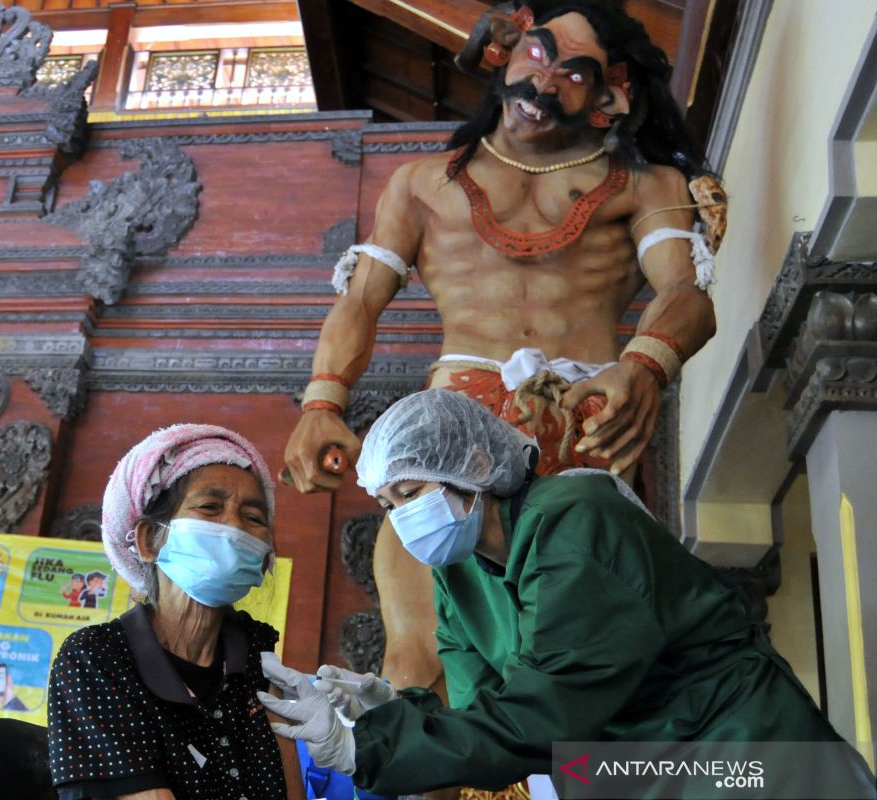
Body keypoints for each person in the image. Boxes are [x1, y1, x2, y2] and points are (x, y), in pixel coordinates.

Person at [283, 0, 724, 766]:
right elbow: (359, 300)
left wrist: (646, 363)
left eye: (573, 72)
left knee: (578, 682)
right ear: (503, 54)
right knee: (415, 666)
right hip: (442, 446)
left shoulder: (642, 186)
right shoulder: (422, 185)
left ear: (611, 96)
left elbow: (686, 295)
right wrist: (322, 401)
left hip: (580, 440)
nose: (544, 79)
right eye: (538, 54)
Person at [262, 390, 873, 797]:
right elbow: (487, 715)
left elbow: (542, 714)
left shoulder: (577, 520)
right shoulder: (460, 572)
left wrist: (362, 746)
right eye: (389, 505)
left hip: (735, 751)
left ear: (473, 461)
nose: (402, 520)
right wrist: (386, 707)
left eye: (411, 492)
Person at [47, 425, 306, 800]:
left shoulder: (256, 652)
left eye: (253, 516)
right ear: (150, 540)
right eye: (210, 508)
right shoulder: (96, 659)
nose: (234, 526)